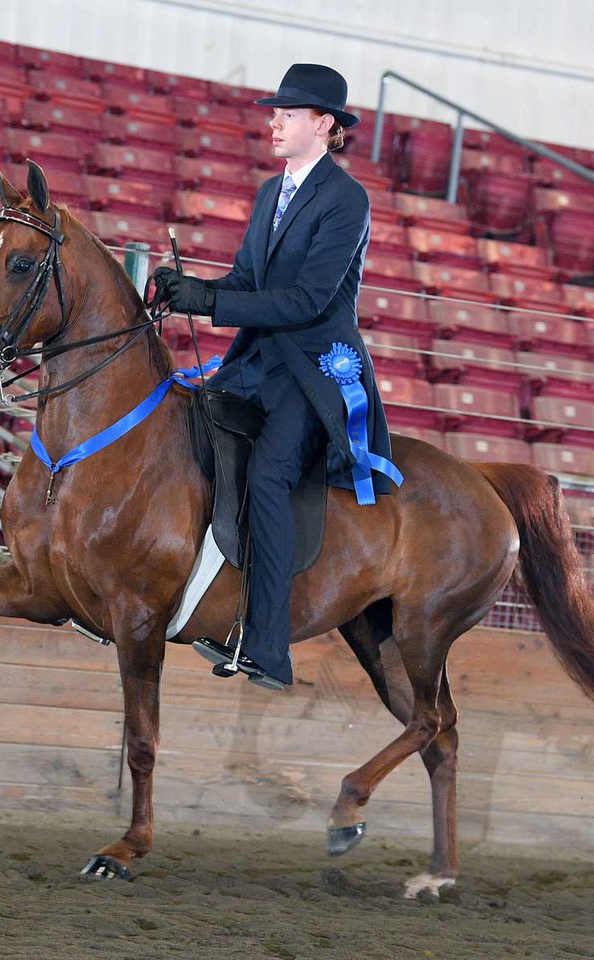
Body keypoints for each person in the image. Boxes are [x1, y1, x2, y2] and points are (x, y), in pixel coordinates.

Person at [152, 63, 398, 691]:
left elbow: (305, 301)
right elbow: (245, 284)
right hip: (259, 361)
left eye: (288, 114)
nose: (274, 121)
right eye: (276, 112)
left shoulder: (347, 200)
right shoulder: (270, 192)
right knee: (185, 430)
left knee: (268, 475)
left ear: (324, 125)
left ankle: (267, 646)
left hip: (312, 370)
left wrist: (211, 304)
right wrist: (193, 291)